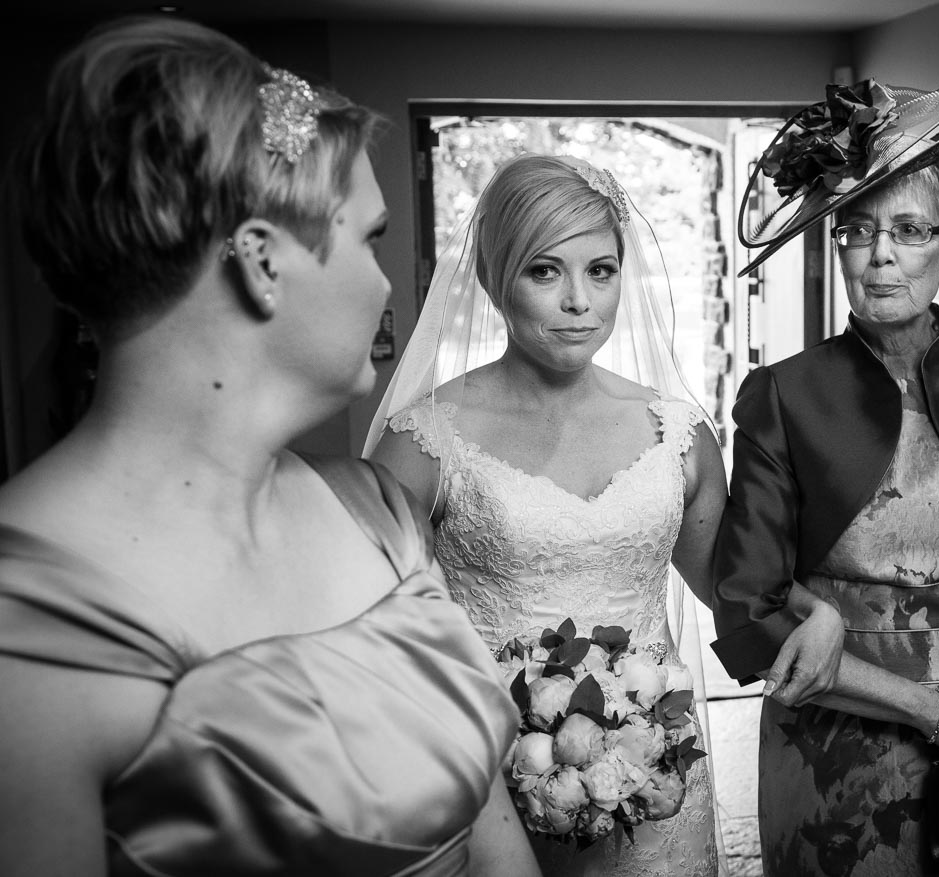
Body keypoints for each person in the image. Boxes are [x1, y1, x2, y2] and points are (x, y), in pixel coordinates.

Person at [0, 16, 537, 876]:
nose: (387, 283)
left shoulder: (378, 515)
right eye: (368, 238)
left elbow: (491, 841)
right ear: (261, 261)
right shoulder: (30, 621)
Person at [711, 75, 939, 877]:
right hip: (835, 750)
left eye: (911, 230)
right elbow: (749, 616)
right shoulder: (780, 394)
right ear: (837, 245)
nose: (881, 254)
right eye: (857, 229)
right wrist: (934, 710)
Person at [366, 153, 727, 877]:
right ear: (496, 277)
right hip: (487, 788)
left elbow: (737, 589)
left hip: (652, 786)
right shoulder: (426, 442)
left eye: (601, 271)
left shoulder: (678, 434)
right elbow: (378, 646)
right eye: (545, 271)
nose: (579, 302)